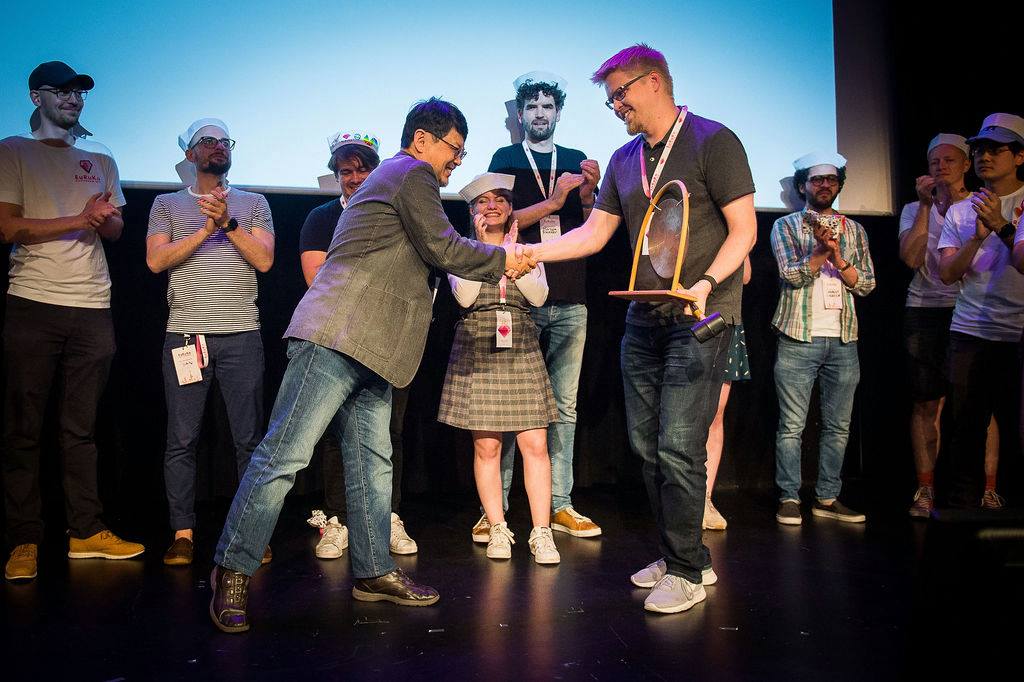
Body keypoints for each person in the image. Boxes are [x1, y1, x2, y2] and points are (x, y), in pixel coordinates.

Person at [208, 98, 535, 633]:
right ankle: (232, 569)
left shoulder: (397, 180)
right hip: (336, 335)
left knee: (372, 466)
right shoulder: (410, 172)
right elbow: (443, 247)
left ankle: (373, 571)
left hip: (376, 348)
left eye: (461, 151)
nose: (457, 160)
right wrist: (506, 259)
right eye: (454, 148)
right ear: (423, 140)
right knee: (284, 457)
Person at [531, 44, 757, 613]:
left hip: (700, 318)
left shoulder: (713, 141)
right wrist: (526, 254)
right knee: (647, 447)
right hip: (643, 320)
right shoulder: (625, 158)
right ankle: (682, 552)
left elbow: (744, 231)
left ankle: (685, 568)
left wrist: (705, 283)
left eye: (620, 94)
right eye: (609, 98)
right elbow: (592, 236)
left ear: (653, 82)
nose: (614, 106)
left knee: (680, 445)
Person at [0, 61, 144, 582]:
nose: (74, 99)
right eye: (62, 92)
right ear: (38, 96)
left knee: (80, 428)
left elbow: (116, 230)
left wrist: (104, 220)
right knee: (24, 429)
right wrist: (78, 219)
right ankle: (23, 539)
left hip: (92, 306)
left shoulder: (99, 158)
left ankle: (86, 531)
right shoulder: (13, 150)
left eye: (79, 92)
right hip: (33, 302)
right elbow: (9, 227)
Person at [477, 72, 602, 543]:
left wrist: (586, 196)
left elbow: (591, 230)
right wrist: (554, 200)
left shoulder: (574, 160)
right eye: (531, 107)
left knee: (563, 406)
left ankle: (562, 503)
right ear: (521, 114)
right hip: (519, 296)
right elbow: (500, 216)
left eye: (547, 107)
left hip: (571, 294)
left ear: (558, 113)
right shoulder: (506, 159)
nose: (539, 114)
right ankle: (499, 511)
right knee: (509, 406)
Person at [145, 118, 275, 566]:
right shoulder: (166, 203)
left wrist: (228, 222)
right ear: (189, 153)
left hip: (241, 335)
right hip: (186, 334)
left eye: (224, 141)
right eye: (207, 141)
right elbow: (155, 261)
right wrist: (204, 230)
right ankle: (183, 534)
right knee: (182, 439)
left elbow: (264, 260)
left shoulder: (253, 203)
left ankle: (251, 532)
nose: (217, 146)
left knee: (248, 439)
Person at [298, 131, 417, 559]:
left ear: (377, 169)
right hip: (338, 337)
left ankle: (388, 517)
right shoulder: (321, 217)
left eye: (363, 167)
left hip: (388, 337)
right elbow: (317, 278)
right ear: (336, 175)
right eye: (345, 170)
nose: (354, 176)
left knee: (391, 433)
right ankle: (339, 519)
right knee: (336, 433)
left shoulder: (398, 212)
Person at [440, 172, 560, 564]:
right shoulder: (460, 251)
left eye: (501, 200)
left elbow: (539, 298)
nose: (492, 205)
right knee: (487, 446)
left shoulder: (527, 249)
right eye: (483, 201)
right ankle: (496, 528)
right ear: (472, 210)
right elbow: (465, 297)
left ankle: (541, 532)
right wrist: (484, 254)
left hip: (521, 343)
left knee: (535, 445)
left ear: (511, 209)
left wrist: (518, 263)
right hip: (479, 344)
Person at [770, 152, 876, 526]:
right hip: (799, 336)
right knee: (792, 426)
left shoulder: (855, 231)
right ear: (803, 186)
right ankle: (788, 497)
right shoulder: (785, 227)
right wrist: (818, 253)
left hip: (844, 339)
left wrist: (839, 258)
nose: (824, 185)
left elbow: (866, 284)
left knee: (838, 426)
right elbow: (791, 275)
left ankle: (827, 498)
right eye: (817, 180)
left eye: (831, 179)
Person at [898, 133, 1001, 516]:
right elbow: (910, 258)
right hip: (924, 309)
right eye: (934, 162)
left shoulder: (980, 205)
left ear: (966, 165)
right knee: (926, 402)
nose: (941, 167)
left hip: (969, 309)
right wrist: (927, 207)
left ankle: (986, 489)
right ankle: (925, 490)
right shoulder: (914, 209)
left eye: (950, 161)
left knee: (979, 404)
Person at [939, 113, 1024, 509]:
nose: (984, 157)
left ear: (1019, 156)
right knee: (965, 428)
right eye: (980, 150)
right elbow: (946, 274)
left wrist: (1003, 227)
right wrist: (977, 237)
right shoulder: (960, 210)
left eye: (996, 149)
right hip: (970, 332)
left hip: (1018, 334)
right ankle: (962, 513)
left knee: (1016, 428)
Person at [703, 256, 751, 530]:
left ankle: (705, 498)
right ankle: (682, 498)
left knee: (715, 415)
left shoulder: (736, 225)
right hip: (687, 317)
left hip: (723, 318)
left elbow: (745, 275)